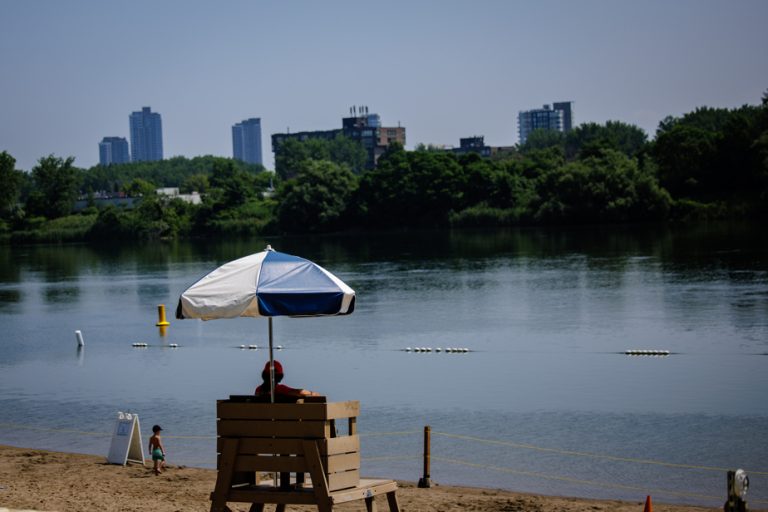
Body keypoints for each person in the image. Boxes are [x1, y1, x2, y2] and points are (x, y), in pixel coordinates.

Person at [254, 360, 320, 399]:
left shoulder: (258, 390)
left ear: (264, 375)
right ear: (280, 377)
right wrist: (312, 393)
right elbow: (300, 392)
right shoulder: (280, 389)